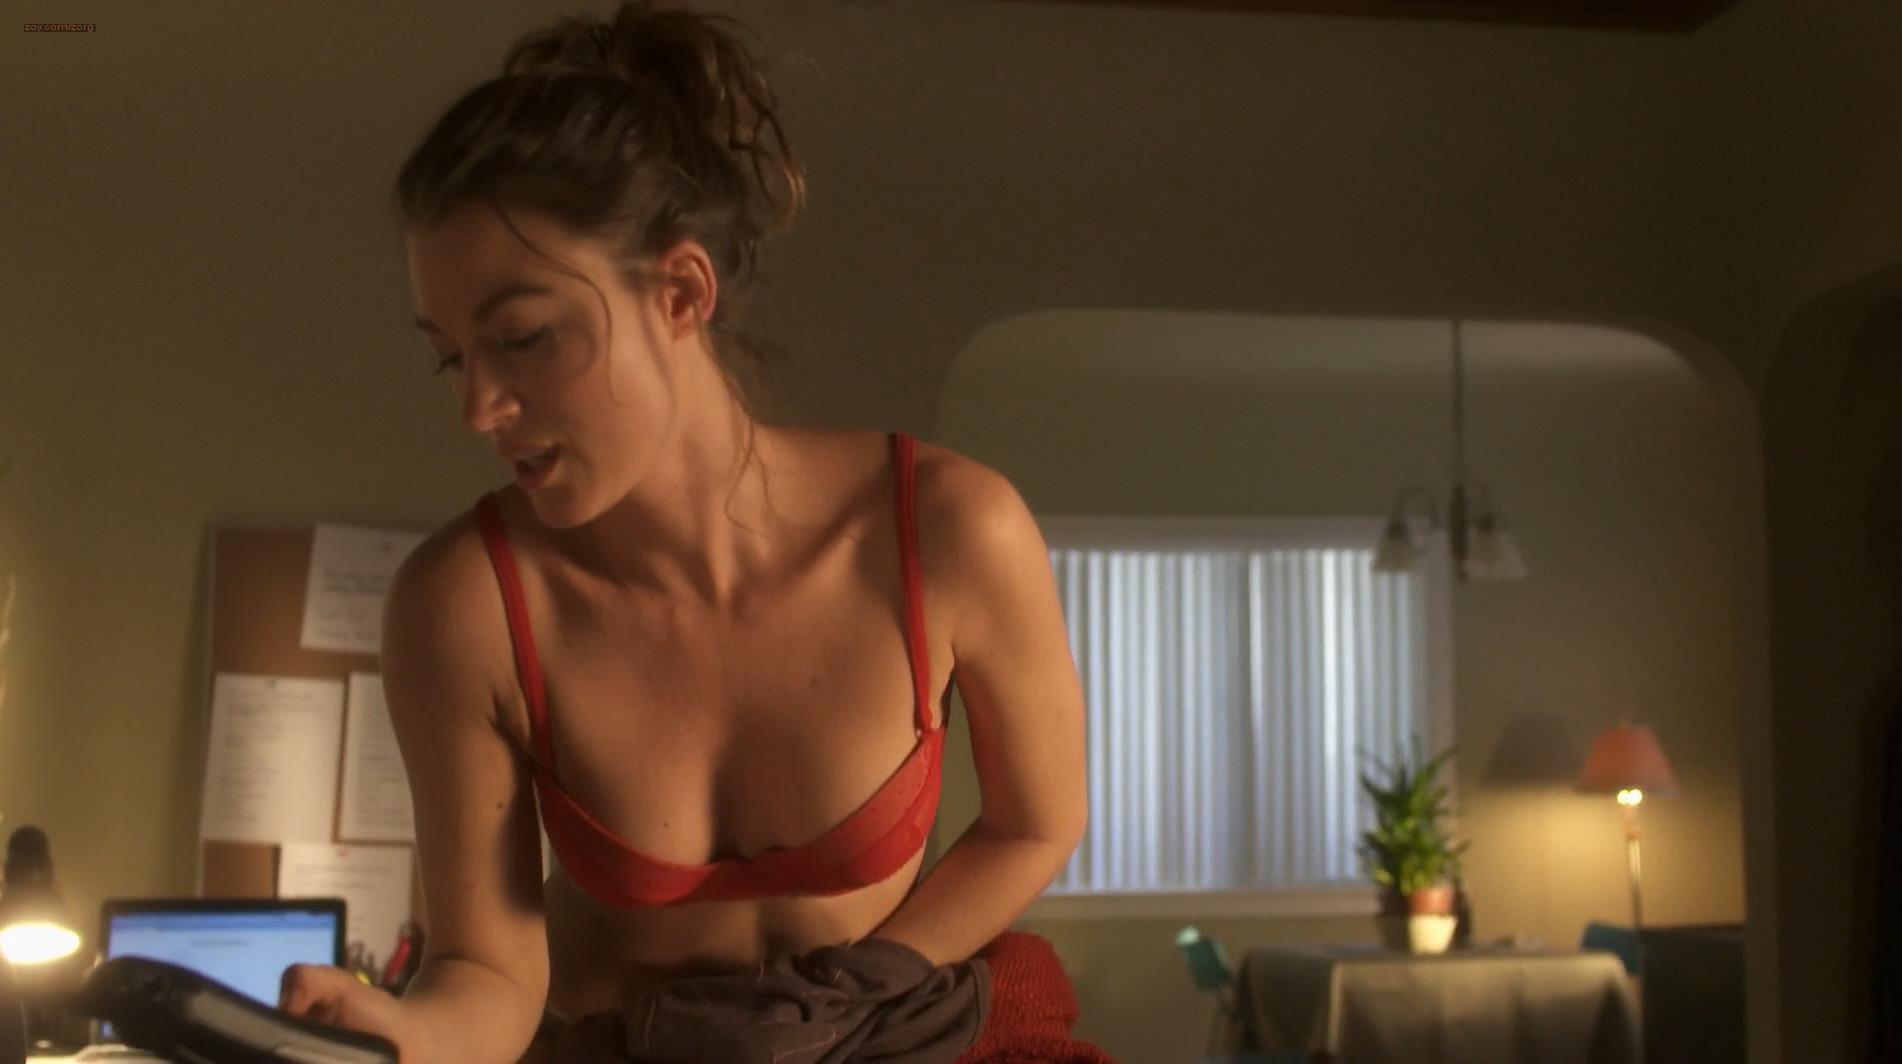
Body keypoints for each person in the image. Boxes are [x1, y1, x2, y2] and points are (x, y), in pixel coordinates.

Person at [276, 3, 1097, 1062]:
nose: (478, 407)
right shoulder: (463, 605)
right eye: (452, 356)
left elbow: (1034, 821)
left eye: (523, 337)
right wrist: (403, 1035)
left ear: (680, 291)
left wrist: (859, 988)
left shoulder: (948, 528)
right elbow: (488, 972)